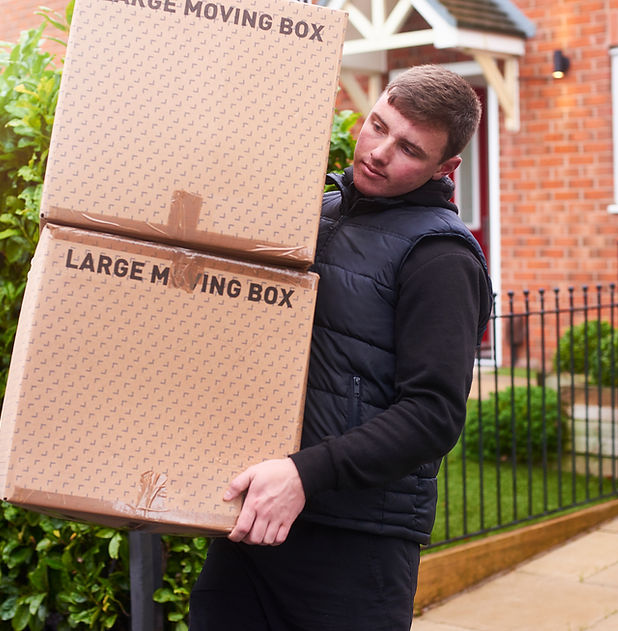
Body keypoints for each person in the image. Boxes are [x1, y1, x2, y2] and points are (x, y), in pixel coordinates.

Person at [188, 64, 494, 630]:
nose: (378, 152)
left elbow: (432, 415)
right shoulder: (318, 214)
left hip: (354, 546)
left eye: (409, 149)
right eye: (377, 125)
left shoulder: (440, 257)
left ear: (445, 168)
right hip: (257, 517)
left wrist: (305, 474)